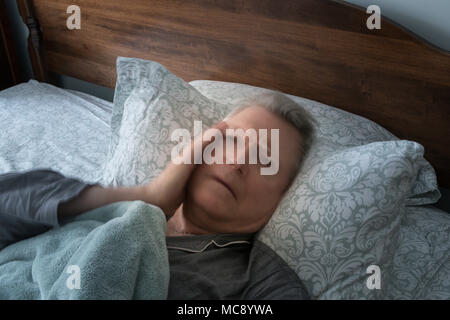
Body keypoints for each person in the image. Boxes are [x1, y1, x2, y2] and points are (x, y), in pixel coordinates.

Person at [0, 92, 315, 299]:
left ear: (283, 196)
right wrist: (151, 196)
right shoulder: (113, 206)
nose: (237, 163)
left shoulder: (260, 282)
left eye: (265, 159)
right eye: (230, 140)